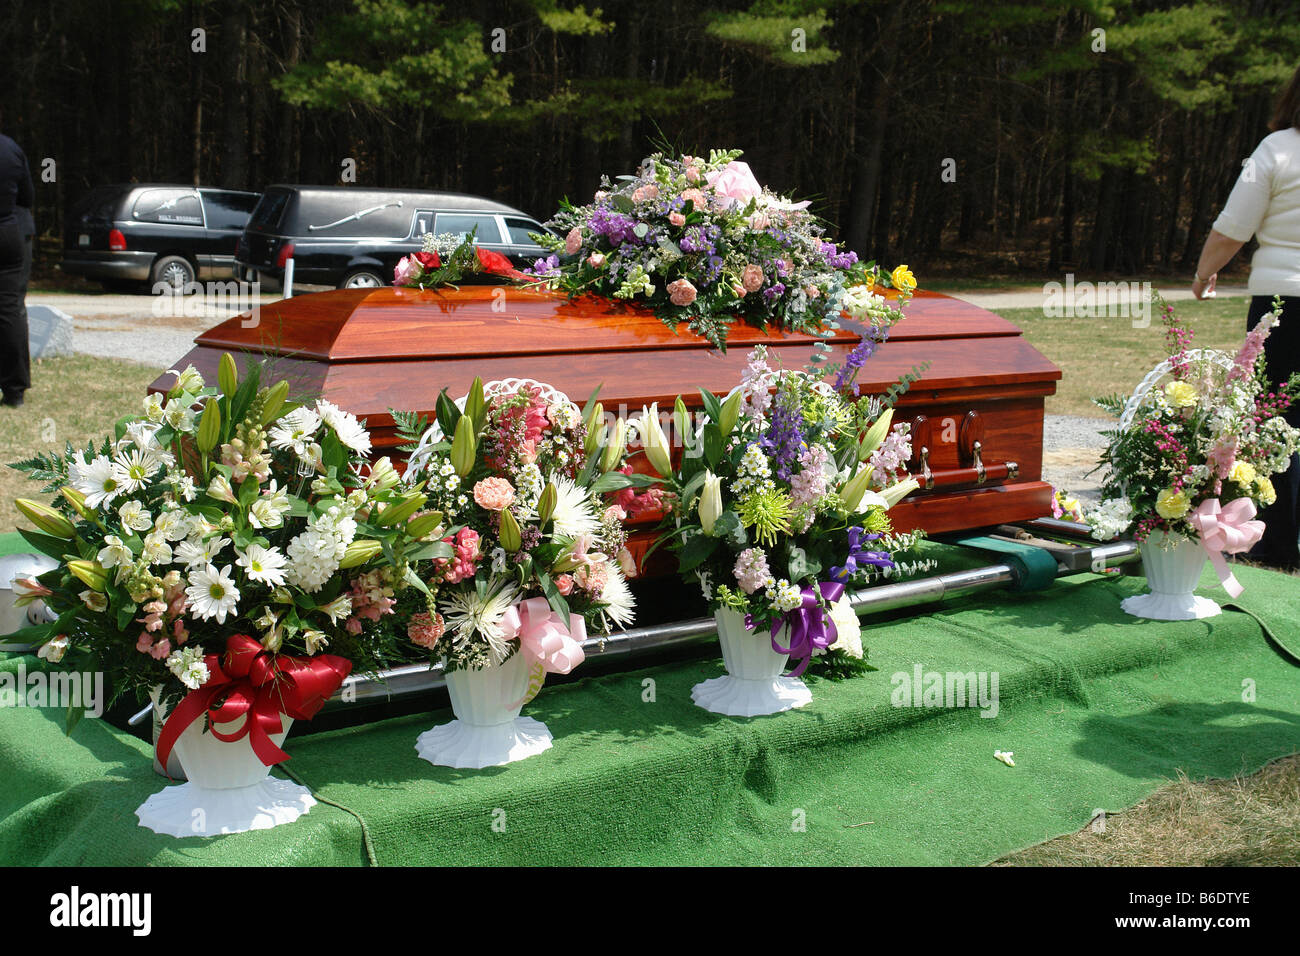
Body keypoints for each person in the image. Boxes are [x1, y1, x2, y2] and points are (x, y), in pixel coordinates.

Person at [1193, 64, 1300, 569]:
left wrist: (1204, 272)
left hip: (1284, 305)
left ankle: (1276, 547)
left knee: (1278, 423)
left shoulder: (1276, 150)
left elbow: (1233, 228)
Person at [0, 110, 34, 409]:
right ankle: (14, 390)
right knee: (10, 309)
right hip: (7, 231)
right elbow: (27, 196)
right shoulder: (11, 148)